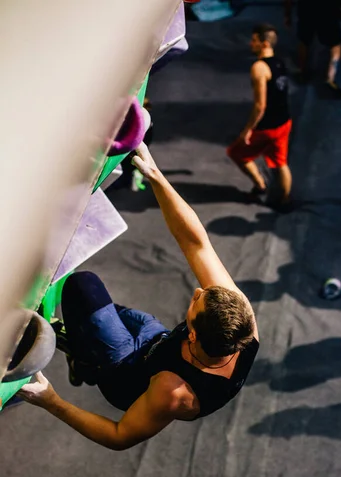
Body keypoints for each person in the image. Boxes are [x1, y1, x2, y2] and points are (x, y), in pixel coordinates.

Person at [16, 143, 259, 451]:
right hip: (158, 341)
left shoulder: (173, 392)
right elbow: (196, 243)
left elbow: (120, 436)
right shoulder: (241, 321)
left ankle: (86, 364)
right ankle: (82, 345)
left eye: (197, 301)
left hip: (128, 377)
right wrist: (155, 175)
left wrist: (52, 402)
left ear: (194, 333)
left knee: (82, 286)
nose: (198, 290)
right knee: (90, 309)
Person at [227, 23, 293, 209]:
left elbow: (260, 105)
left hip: (267, 127)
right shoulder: (279, 63)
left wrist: (247, 130)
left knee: (236, 153)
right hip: (284, 122)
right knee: (281, 163)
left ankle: (260, 186)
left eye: (254, 40)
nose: (251, 44)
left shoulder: (259, 68)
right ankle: (286, 200)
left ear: (264, 44)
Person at [284, 0, 341, 98]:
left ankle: (303, 70)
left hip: (306, 9)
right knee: (335, 45)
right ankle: (330, 78)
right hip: (328, 9)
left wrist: (287, 13)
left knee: (304, 41)